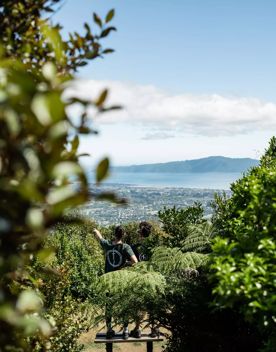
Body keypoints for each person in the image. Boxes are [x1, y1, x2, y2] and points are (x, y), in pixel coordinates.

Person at [93, 226, 138, 339]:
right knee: (124, 304)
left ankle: (109, 330)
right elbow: (135, 262)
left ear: (114, 234)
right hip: (121, 280)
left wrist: (95, 230)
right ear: (124, 235)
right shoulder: (125, 247)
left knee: (109, 306)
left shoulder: (108, 245)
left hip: (108, 281)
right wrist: (125, 264)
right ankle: (126, 330)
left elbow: (99, 236)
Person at [130, 221, 160, 338]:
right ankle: (154, 329)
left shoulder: (135, 247)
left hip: (140, 278)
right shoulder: (154, 246)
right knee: (153, 305)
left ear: (140, 233)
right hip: (154, 278)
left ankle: (137, 329)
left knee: (140, 305)